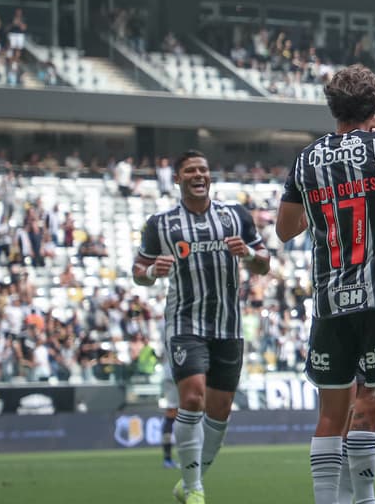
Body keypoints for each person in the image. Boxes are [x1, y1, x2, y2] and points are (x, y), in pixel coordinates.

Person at [276, 66, 375, 504]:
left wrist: (323, 209)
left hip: (329, 302)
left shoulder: (306, 159)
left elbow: (286, 229)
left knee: (332, 415)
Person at [134, 150, 270, 504]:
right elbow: (139, 271)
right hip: (185, 322)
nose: (199, 175)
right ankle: (195, 489)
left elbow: (264, 264)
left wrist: (250, 256)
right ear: (177, 178)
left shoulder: (235, 215)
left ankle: (190, 480)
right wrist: (151, 272)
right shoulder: (160, 224)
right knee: (192, 396)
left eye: (204, 170)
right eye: (190, 170)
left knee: (220, 409)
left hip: (228, 325)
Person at [160, 341, 179, 469]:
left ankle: (168, 458)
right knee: (174, 413)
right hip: (177, 372)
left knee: (172, 413)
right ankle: (169, 458)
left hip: (169, 372)